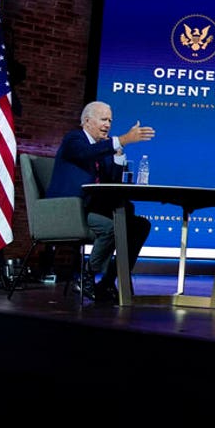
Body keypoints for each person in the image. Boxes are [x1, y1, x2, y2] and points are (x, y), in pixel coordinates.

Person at [46, 101, 155, 302]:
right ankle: (87, 274)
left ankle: (109, 281)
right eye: (103, 119)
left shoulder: (102, 150)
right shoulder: (74, 139)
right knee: (113, 227)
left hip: (94, 208)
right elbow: (84, 153)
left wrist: (119, 157)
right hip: (71, 210)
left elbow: (111, 183)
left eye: (110, 120)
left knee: (139, 225)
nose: (108, 125)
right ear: (87, 121)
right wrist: (121, 140)